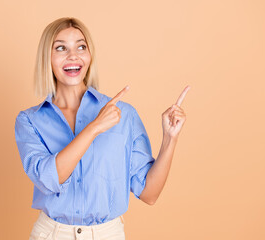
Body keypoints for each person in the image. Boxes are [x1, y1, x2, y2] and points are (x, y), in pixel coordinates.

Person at [14, 17, 190, 240]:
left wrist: (169, 139)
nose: (73, 56)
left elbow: (149, 194)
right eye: (61, 48)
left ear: (89, 56)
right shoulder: (30, 121)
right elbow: (49, 179)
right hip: (52, 234)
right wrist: (94, 127)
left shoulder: (124, 115)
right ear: (46, 58)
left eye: (81, 46)